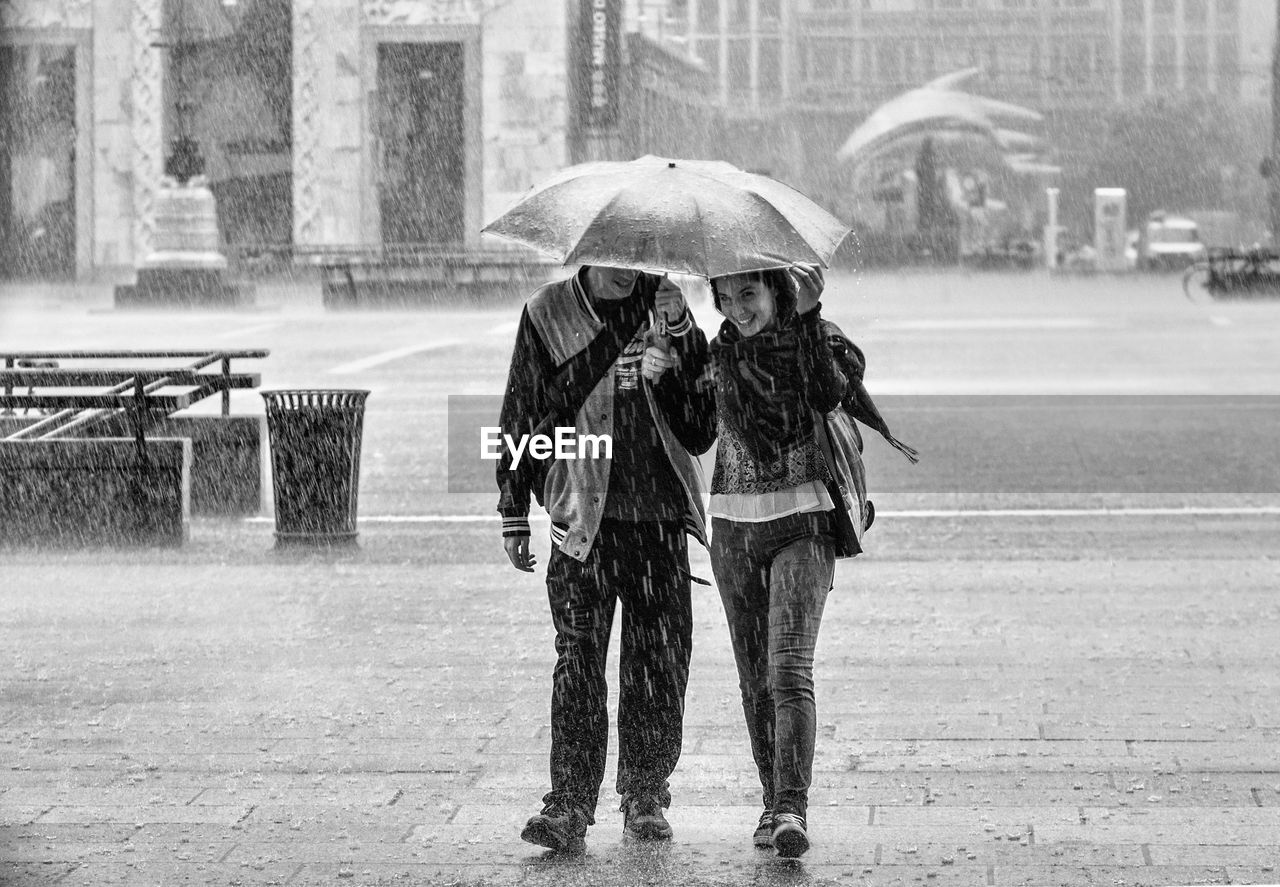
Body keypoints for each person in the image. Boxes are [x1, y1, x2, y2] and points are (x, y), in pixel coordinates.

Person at [652, 263, 907, 859]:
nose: (739, 308)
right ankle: (772, 800)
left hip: (804, 523)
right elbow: (696, 436)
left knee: (788, 669)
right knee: (754, 681)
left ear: (776, 290)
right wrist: (665, 376)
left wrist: (812, 316)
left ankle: (792, 805)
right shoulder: (718, 356)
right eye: (727, 296)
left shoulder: (814, 337)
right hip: (735, 530)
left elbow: (825, 391)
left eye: (750, 293)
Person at [496, 264, 716, 854]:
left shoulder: (669, 307)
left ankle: (645, 793)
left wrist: (676, 352)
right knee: (577, 667)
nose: (629, 268)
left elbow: (700, 428)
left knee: (659, 667)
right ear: (589, 248)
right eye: (615, 255)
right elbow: (522, 406)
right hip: (581, 522)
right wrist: (513, 507)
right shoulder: (548, 312)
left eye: (638, 255)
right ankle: (568, 804)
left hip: (660, 523)